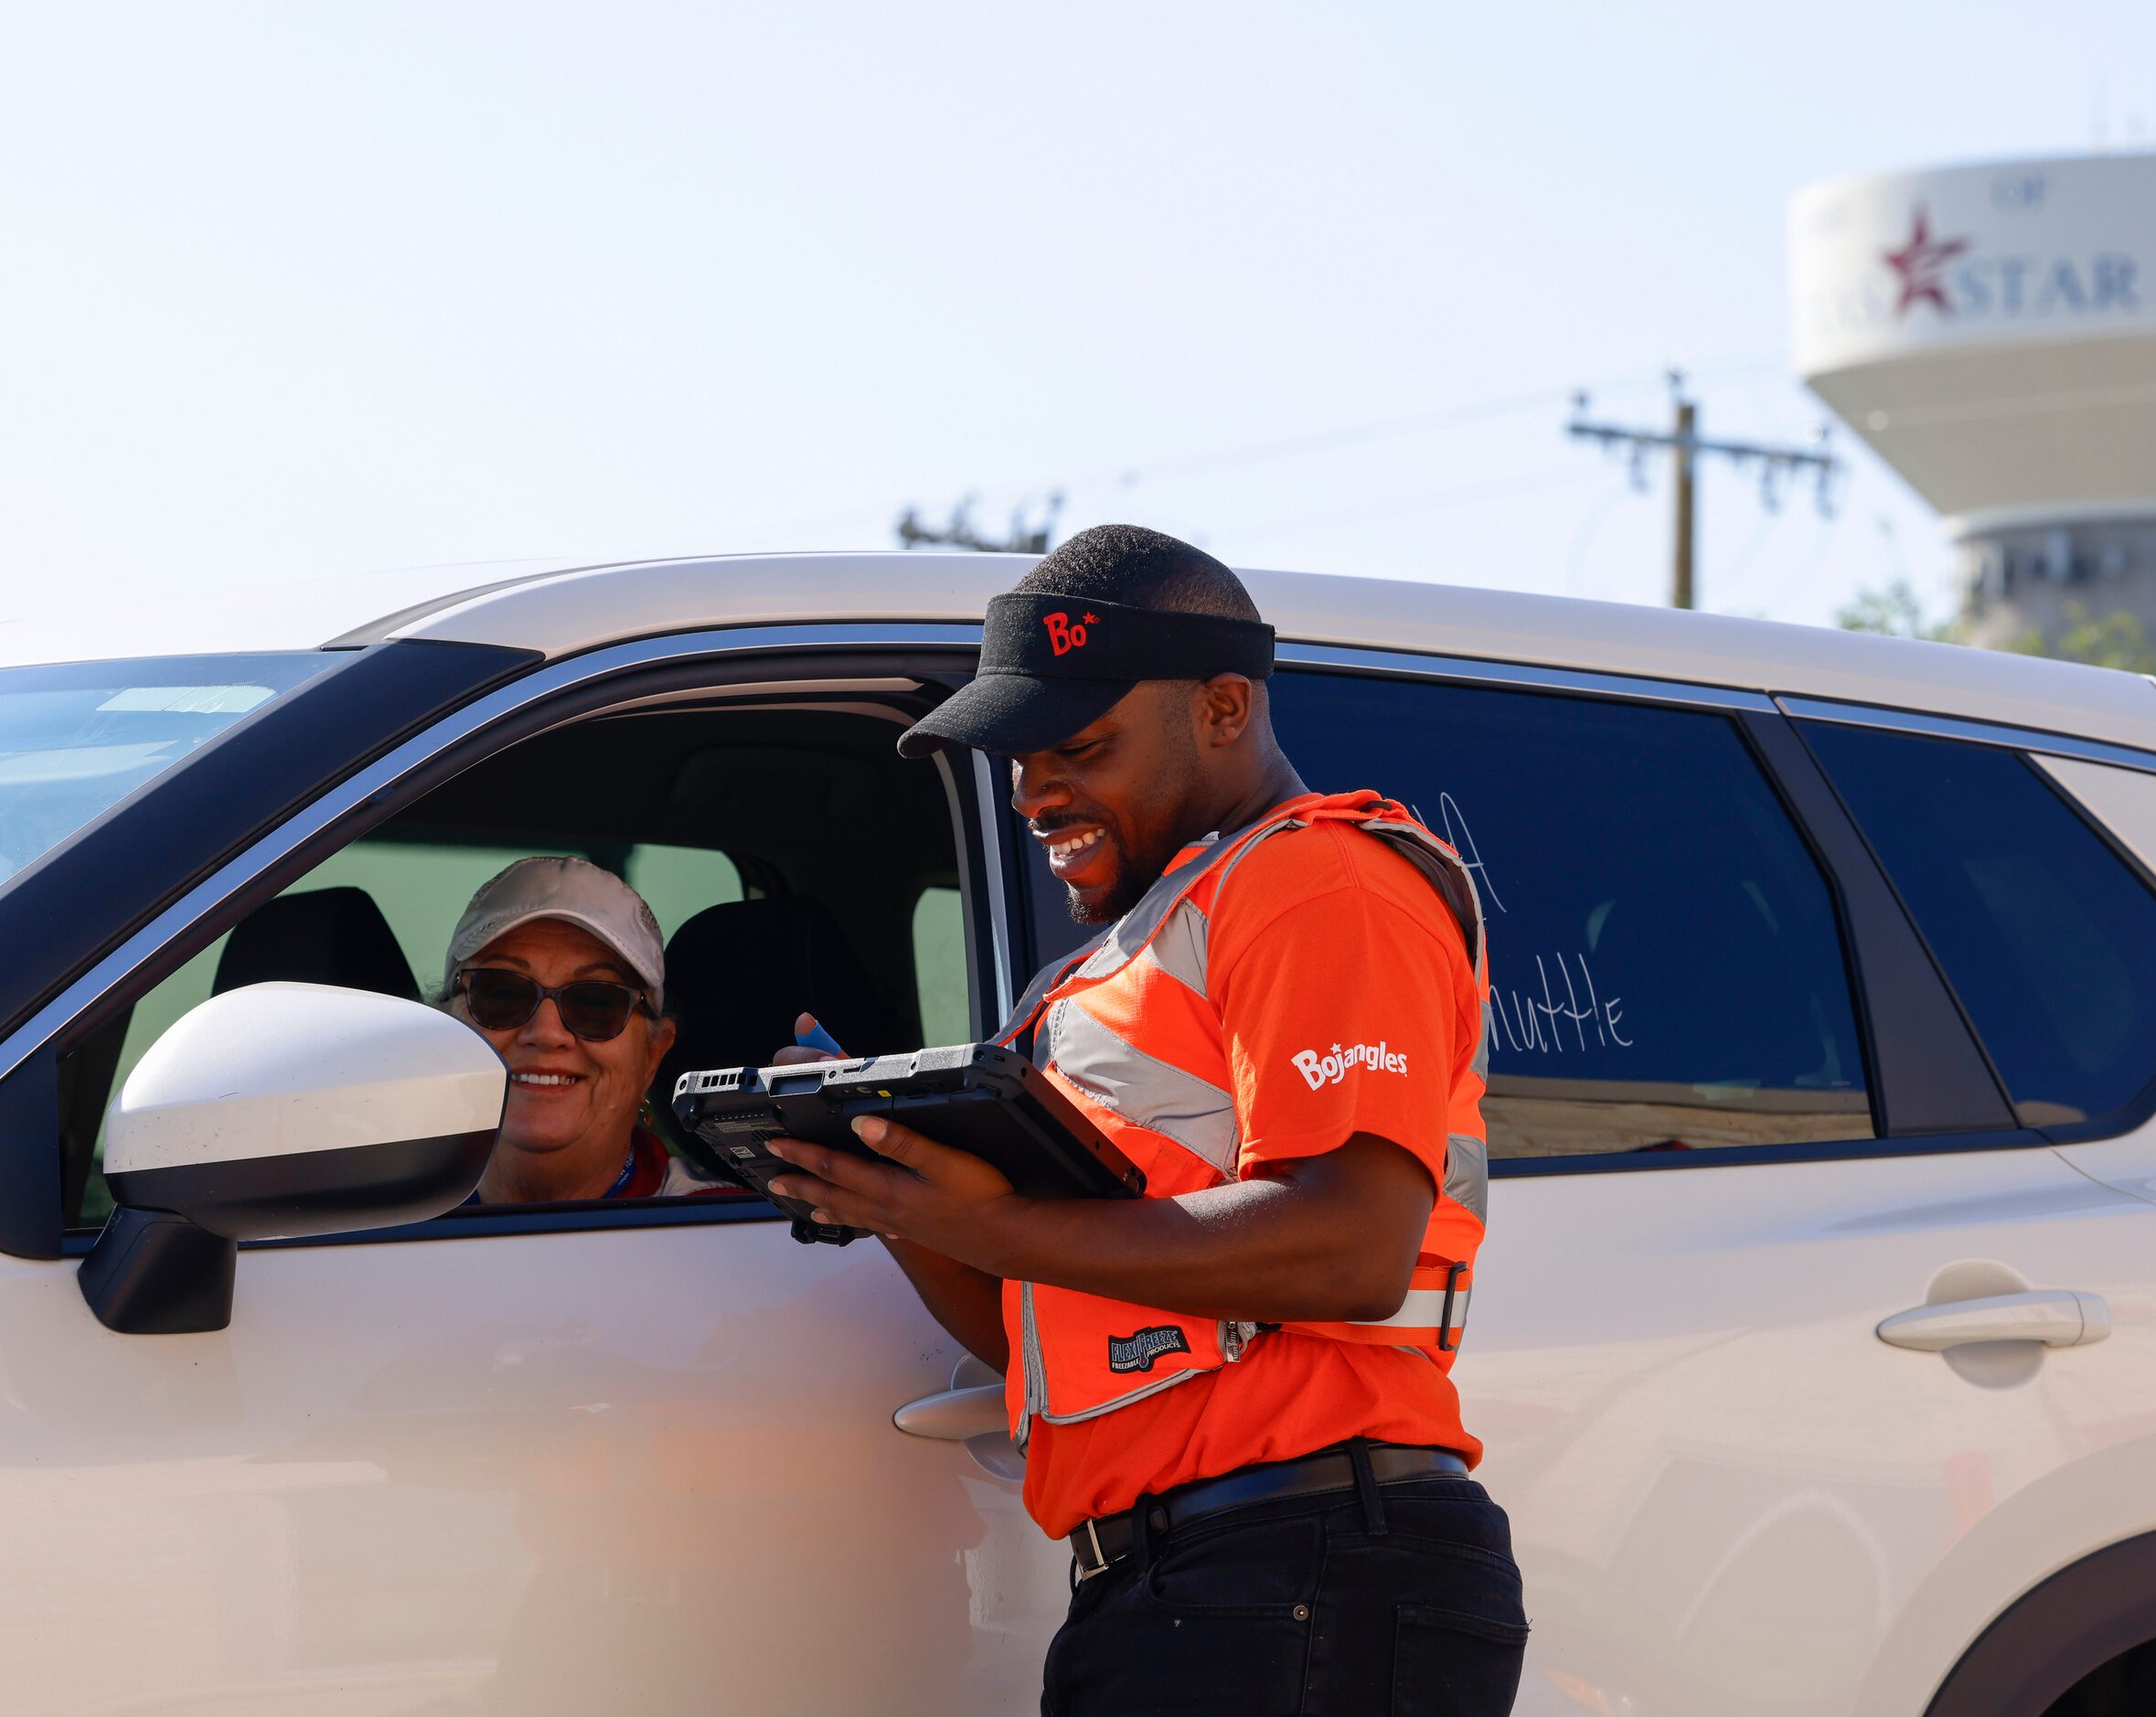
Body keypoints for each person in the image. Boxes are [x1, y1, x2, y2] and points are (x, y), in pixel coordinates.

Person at [764, 526, 1524, 1714]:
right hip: (1193, 1582)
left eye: (1078, 745)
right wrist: (889, 1193)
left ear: (1224, 708)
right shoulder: (1114, 963)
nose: (1032, 793)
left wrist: (1003, 1226)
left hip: (1303, 1557)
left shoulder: (1320, 880)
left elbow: (1357, 1242)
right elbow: (1041, 1329)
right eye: (1017, 758)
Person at [443, 856, 724, 1204]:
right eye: (502, 994)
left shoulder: (761, 1237)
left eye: (596, 1003)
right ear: (443, 1031)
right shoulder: (364, 1224)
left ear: (652, 1057)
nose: (546, 1033)